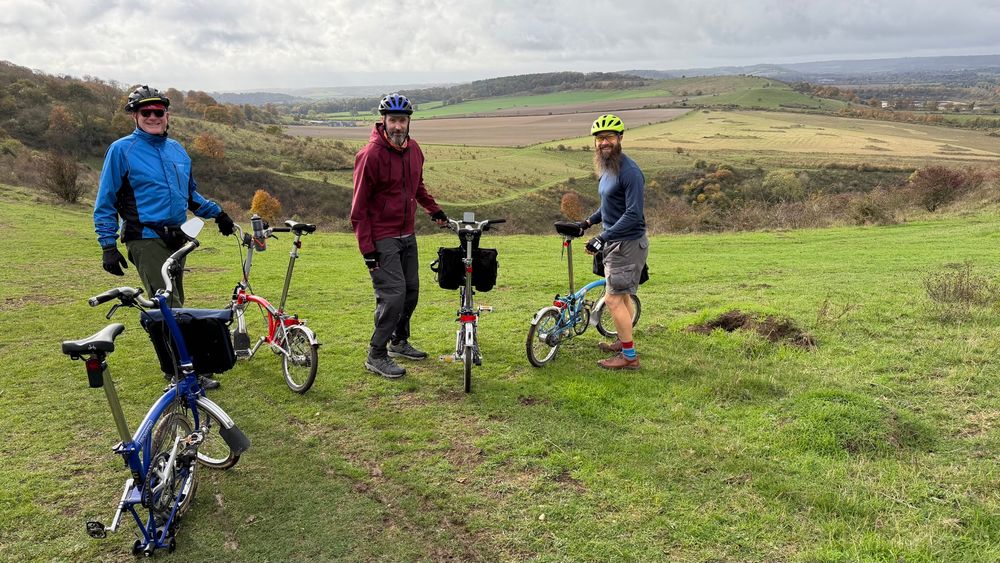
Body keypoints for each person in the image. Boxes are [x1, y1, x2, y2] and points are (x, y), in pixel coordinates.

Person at [94, 85, 235, 389]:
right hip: (145, 237)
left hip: (177, 238)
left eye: (159, 111)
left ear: (167, 115)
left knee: (177, 304)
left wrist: (218, 213)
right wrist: (108, 244)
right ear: (135, 115)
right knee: (167, 305)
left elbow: (190, 195)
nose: (153, 117)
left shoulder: (177, 150)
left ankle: (185, 364)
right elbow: (105, 201)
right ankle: (180, 371)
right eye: (146, 112)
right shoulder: (122, 150)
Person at [351, 93, 448, 379]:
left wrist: (435, 211)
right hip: (382, 237)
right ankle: (376, 354)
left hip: (408, 235)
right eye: (392, 120)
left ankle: (398, 342)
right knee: (392, 296)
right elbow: (358, 208)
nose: (397, 126)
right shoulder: (370, 155)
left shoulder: (414, 150)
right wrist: (367, 250)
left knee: (411, 292)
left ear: (408, 123)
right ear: (383, 121)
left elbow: (417, 188)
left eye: (402, 121)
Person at [574, 114, 648, 370]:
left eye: (609, 137)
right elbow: (609, 206)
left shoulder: (630, 172)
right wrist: (587, 223)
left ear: (620, 139)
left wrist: (602, 237)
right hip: (615, 242)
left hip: (627, 243)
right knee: (623, 297)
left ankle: (629, 358)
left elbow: (632, 214)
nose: (604, 142)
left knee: (614, 299)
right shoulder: (608, 168)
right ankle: (623, 341)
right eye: (599, 138)